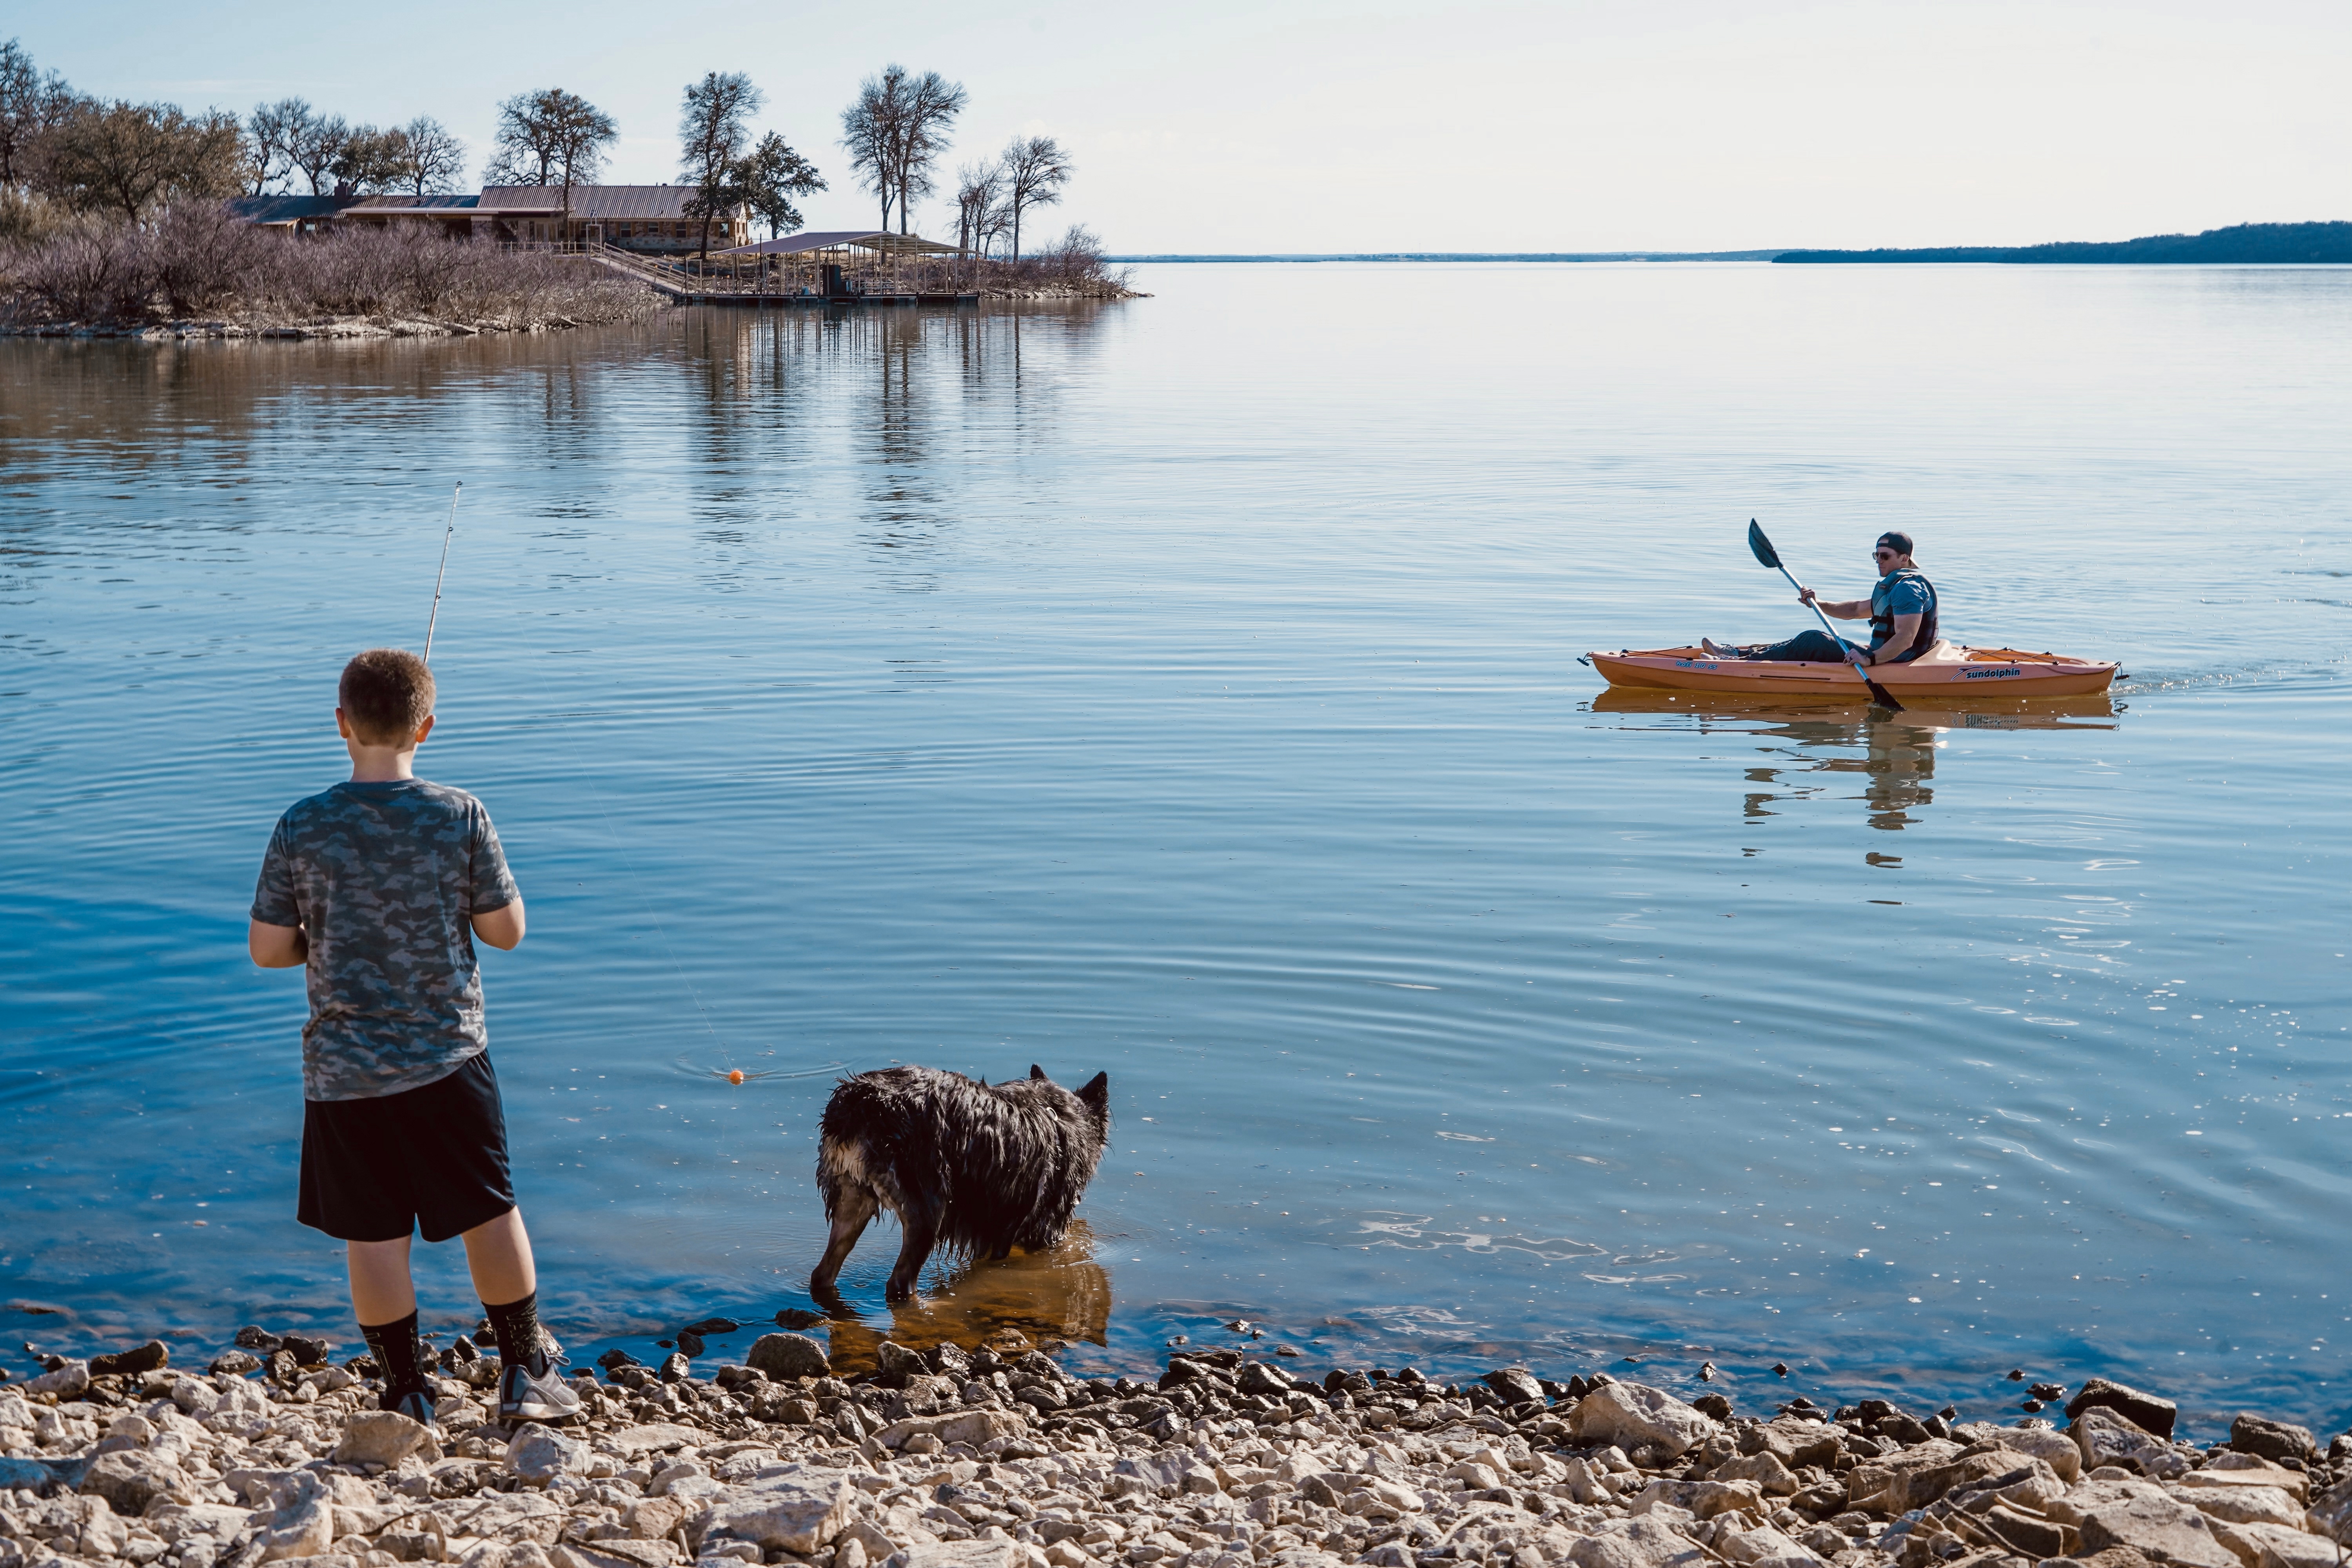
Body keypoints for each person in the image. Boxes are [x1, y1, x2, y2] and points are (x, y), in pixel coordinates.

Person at [248, 648, 578, 1428]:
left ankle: (406, 1389)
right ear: (426, 726)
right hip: (447, 1058)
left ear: (341, 725)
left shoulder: (302, 822)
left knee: (374, 1235)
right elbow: (508, 932)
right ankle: (524, 1366)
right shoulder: (460, 812)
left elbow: (268, 947)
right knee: (489, 1213)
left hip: (342, 1072)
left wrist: (318, 944)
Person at [1704, 532, 1939, 664]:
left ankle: (1737, 661)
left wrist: (1871, 659)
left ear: (1904, 558)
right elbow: (1857, 610)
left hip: (1897, 660)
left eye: (1885, 556)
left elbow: (1906, 638)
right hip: (1887, 654)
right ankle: (1739, 654)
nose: (1879, 560)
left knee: (1812, 641)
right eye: (1876, 555)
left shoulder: (1908, 589)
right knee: (1809, 640)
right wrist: (1819, 603)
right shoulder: (1896, 586)